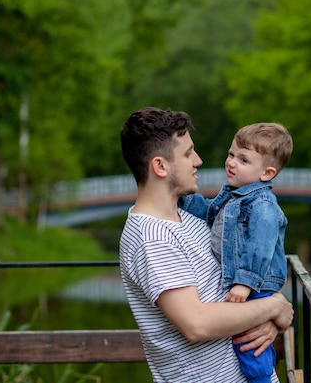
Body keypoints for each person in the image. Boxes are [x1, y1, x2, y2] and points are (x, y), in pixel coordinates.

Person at [119, 107, 293, 383]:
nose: (198, 161)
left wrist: (266, 320)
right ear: (160, 166)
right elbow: (197, 324)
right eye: (188, 153)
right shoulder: (151, 237)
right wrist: (275, 308)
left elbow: (234, 292)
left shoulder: (191, 218)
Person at [178, 122, 293, 383]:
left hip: (256, 283)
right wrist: (183, 197)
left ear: (267, 173)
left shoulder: (262, 205)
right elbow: (208, 212)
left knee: (250, 345)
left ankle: (263, 380)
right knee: (249, 342)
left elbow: (260, 247)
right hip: (245, 283)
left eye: (243, 159)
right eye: (231, 154)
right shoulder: (232, 197)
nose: (231, 162)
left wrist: (244, 282)